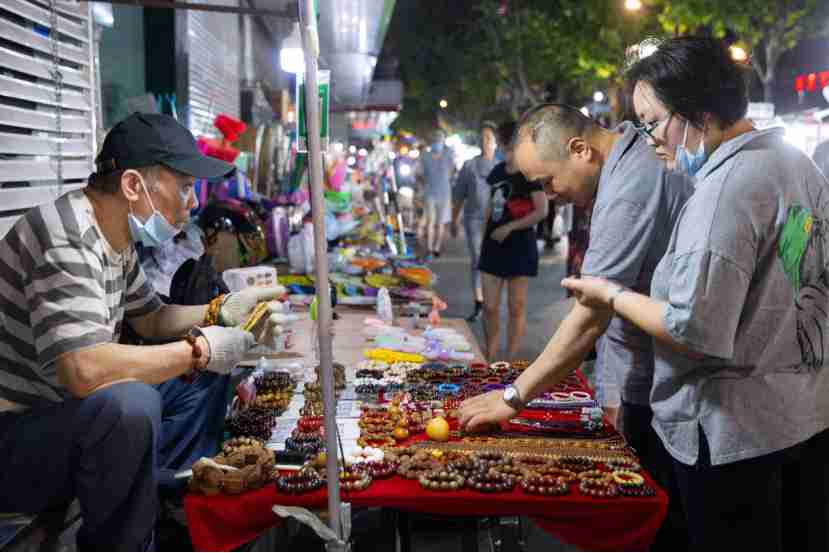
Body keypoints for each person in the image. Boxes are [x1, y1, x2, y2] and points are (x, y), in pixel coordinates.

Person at [562, 37, 829, 551]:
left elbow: (694, 329)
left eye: (654, 121)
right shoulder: (796, 167)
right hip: (803, 419)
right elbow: (797, 275)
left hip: (733, 439)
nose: (649, 138)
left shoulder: (724, 193)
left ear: (699, 114)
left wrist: (611, 295)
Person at [0, 113, 284, 550]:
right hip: (16, 442)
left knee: (197, 378)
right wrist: (202, 350)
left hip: (61, 417)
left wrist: (220, 311)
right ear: (133, 186)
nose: (193, 203)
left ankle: (168, 497)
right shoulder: (66, 238)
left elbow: (151, 318)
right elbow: (84, 370)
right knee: (130, 403)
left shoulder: (114, 234)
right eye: (185, 187)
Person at [459, 104, 694, 548]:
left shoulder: (630, 185)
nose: (552, 194)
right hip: (645, 376)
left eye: (548, 181)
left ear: (581, 149)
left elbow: (590, 317)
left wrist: (514, 396)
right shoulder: (622, 159)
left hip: (676, 385)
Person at [477, 121, 548, 360]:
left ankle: (510, 359)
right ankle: (490, 355)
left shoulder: (529, 174)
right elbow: (489, 205)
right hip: (492, 245)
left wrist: (510, 227)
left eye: (501, 142)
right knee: (489, 306)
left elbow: (541, 210)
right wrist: (483, 231)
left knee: (516, 306)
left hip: (519, 245)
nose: (498, 146)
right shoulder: (497, 171)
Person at [451, 121, 499, 322]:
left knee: (493, 262)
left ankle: (491, 302)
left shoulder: (500, 167)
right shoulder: (469, 166)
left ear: (495, 142)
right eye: (482, 138)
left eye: (488, 138)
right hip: (473, 220)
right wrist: (453, 220)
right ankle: (479, 302)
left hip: (496, 221)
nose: (484, 141)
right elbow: (459, 196)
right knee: (478, 260)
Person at [416, 129, 455, 258]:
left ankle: (437, 247)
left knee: (440, 222)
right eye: (435, 140)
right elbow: (418, 174)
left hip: (444, 193)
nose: (437, 142)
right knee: (431, 221)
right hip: (430, 192)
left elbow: (452, 171)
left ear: (443, 141)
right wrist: (422, 185)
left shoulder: (448, 155)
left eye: (440, 140)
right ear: (431, 142)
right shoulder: (425, 156)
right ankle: (429, 248)